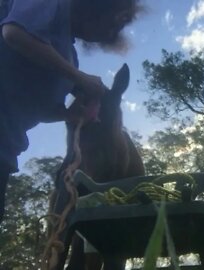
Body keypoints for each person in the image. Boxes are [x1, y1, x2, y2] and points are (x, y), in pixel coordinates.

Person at [0, 0, 142, 223]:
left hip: (6, 147)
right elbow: (14, 33)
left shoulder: (69, 56)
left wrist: (68, 115)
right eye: (113, 26)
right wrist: (77, 77)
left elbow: (40, 110)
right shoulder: (51, 4)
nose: (110, 35)